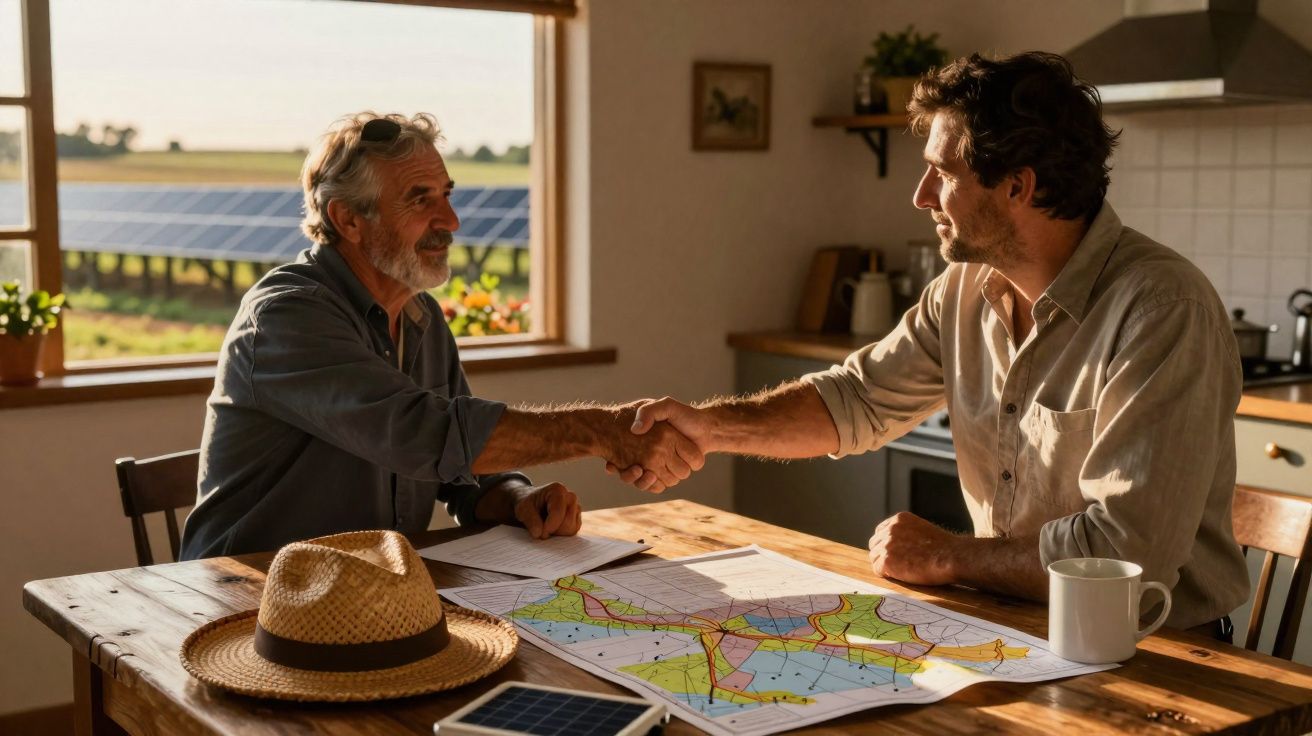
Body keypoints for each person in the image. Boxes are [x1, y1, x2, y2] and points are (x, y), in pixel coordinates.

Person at [613, 52, 1248, 638]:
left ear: (1018, 187)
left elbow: (1124, 556)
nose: (921, 197)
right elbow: (858, 398)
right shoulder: (966, 287)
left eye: (942, 173)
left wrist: (946, 555)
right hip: (1008, 623)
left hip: (1154, 652)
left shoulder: (1164, 309)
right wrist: (708, 428)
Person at [180, 112, 701, 560]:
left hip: (373, 601)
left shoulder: (419, 316)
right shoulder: (288, 316)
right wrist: (602, 430)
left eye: (446, 195)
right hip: (245, 602)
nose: (450, 220)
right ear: (348, 219)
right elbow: (424, 435)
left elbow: (459, 473)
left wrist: (518, 496)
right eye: (419, 199)